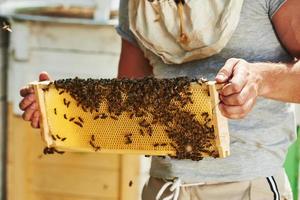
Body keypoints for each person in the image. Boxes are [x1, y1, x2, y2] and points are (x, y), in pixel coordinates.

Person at [19, 0, 300, 199]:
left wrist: (259, 78)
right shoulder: (137, 5)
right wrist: (58, 111)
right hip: (165, 187)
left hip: (246, 188)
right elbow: (129, 110)